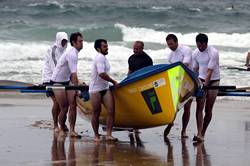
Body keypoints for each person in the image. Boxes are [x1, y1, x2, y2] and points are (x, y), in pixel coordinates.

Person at [51, 32, 83, 137]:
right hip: (57, 81)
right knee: (64, 107)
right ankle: (60, 129)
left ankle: (72, 130)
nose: (82, 43)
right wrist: (78, 89)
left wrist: (76, 85)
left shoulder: (75, 52)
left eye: (82, 41)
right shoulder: (72, 53)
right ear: (74, 42)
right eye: (80, 41)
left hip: (67, 80)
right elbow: (74, 74)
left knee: (73, 105)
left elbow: (72, 74)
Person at [164, 34, 193, 138]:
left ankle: (184, 131)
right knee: (173, 107)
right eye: (168, 44)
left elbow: (185, 65)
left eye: (171, 44)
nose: (170, 46)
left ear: (176, 42)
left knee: (187, 107)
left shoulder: (186, 50)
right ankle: (170, 124)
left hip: (188, 81)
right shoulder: (171, 56)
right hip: (177, 82)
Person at [192, 33, 220, 142]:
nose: (199, 48)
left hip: (214, 80)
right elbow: (195, 70)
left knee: (208, 109)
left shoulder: (213, 52)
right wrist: (196, 84)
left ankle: (203, 133)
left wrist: (205, 86)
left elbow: (210, 71)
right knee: (199, 107)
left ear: (205, 43)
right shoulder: (195, 53)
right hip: (201, 79)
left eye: (201, 46)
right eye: (198, 45)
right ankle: (199, 133)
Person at [89, 39, 118, 142]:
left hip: (105, 88)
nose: (107, 48)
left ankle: (108, 134)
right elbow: (101, 73)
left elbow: (104, 74)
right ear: (98, 48)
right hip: (95, 90)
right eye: (104, 46)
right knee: (96, 112)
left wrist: (110, 83)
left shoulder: (104, 58)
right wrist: (113, 81)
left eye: (107, 45)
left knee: (111, 111)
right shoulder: (99, 58)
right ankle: (96, 135)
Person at [42, 32, 68, 132]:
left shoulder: (66, 50)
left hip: (61, 79)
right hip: (49, 79)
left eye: (66, 41)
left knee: (65, 103)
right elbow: (56, 68)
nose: (64, 43)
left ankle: (62, 123)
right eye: (63, 41)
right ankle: (55, 125)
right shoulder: (52, 50)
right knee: (57, 102)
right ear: (58, 40)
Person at [127, 41, 153, 135]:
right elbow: (130, 71)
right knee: (132, 106)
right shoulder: (131, 58)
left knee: (140, 107)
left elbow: (150, 74)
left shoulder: (147, 59)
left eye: (137, 49)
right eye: (134, 48)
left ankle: (137, 127)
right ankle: (131, 126)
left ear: (142, 48)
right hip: (132, 85)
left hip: (143, 86)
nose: (135, 50)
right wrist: (126, 81)